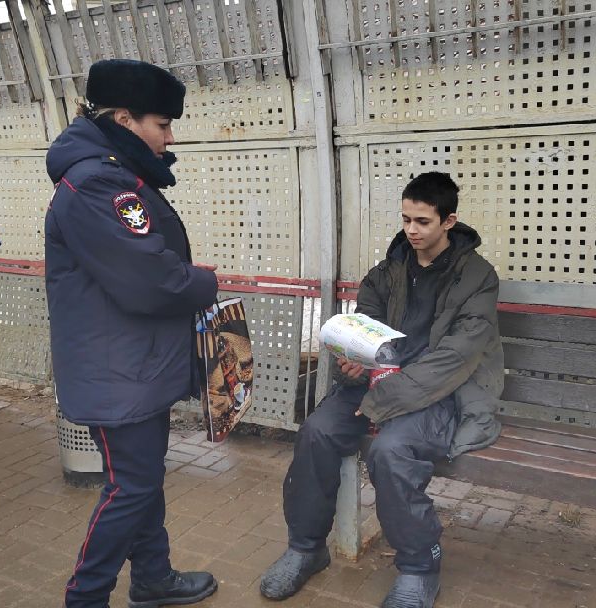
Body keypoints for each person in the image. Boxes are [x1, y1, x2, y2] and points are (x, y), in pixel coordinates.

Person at [260, 172, 505, 608]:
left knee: (389, 452)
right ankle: (306, 547)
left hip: (437, 392)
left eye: (423, 221)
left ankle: (418, 568)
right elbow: (364, 328)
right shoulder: (388, 271)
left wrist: (383, 398)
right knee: (316, 432)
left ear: (449, 221)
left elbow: (457, 357)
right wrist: (352, 364)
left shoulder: (477, 277)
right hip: (374, 386)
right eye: (406, 219)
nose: (411, 230)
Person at [45, 59, 219, 608]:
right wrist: (205, 281)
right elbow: (151, 281)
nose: (170, 138)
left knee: (141, 480)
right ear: (124, 117)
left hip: (131, 362)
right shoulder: (101, 182)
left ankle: (153, 578)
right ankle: (86, 596)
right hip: (120, 368)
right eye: (162, 124)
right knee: (131, 487)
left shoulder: (110, 170)